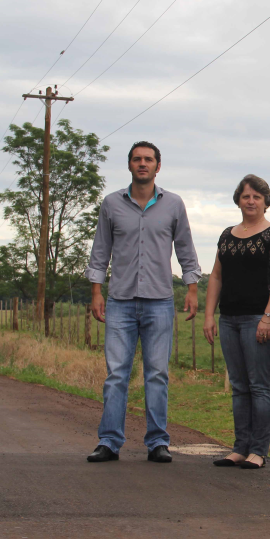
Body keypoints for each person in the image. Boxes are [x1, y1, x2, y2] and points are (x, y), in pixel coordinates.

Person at [84, 141, 202, 463]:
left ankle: (157, 442)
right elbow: (100, 252)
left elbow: (186, 251)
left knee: (157, 374)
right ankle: (109, 441)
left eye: (148, 159)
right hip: (120, 301)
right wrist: (96, 292)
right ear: (130, 165)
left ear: (158, 167)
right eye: (137, 159)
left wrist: (192, 289)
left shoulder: (173, 204)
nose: (143, 164)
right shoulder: (111, 204)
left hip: (160, 302)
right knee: (117, 374)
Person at [202, 175, 270, 470]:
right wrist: (209, 315)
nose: (251, 201)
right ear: (238, 200)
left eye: (256, 196)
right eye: (245, 196)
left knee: (259, 386)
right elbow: (216, 276)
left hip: (259, 320)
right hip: (229, 319)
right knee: (239, 386)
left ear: (266, 201)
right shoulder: (227, 236)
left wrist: (268, 317)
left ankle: (258, 450)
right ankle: (239, 447)